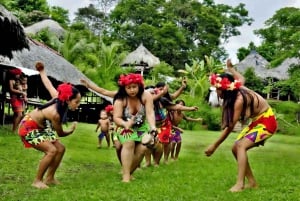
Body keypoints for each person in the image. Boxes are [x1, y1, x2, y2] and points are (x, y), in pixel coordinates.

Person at [204, 59, 277, 192]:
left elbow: (230, 127)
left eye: (218, 89)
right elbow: (241, 78)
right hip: (257, 121)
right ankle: (252, 182)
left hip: (267, 121)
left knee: (241, 146)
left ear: (226, 89)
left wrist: (215, 145)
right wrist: (230, 69)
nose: (217, 91)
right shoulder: (237, 87)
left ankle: (240, 184)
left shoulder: (238, 100)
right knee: (235, 148)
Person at [18, 62, 81, 189]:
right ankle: (37, 181)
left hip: (41, 126)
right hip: (28, 127)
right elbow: (60, 133)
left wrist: (42, 71)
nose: (78, 104)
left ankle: (50, 178)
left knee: (61, 149)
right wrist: (71, 130)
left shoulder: (59, 98)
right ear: (68, 99)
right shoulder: (55, 114)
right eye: (77, 102)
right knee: (51, 151)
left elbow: (48, 84)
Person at [113, 73, 156, 182]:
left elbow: (150, 113)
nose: (132, 90)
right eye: (129, 88)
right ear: (124, 88)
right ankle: (126, 177)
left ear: (139, 86)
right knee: (129, 143)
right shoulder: (120, 100)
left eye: (134, 87)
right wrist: (125, 124)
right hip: (124, 127)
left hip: (141, 127)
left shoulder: (146, 96)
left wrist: (153, 127)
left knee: (143, 148)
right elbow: (116, 118)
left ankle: (128, 172)